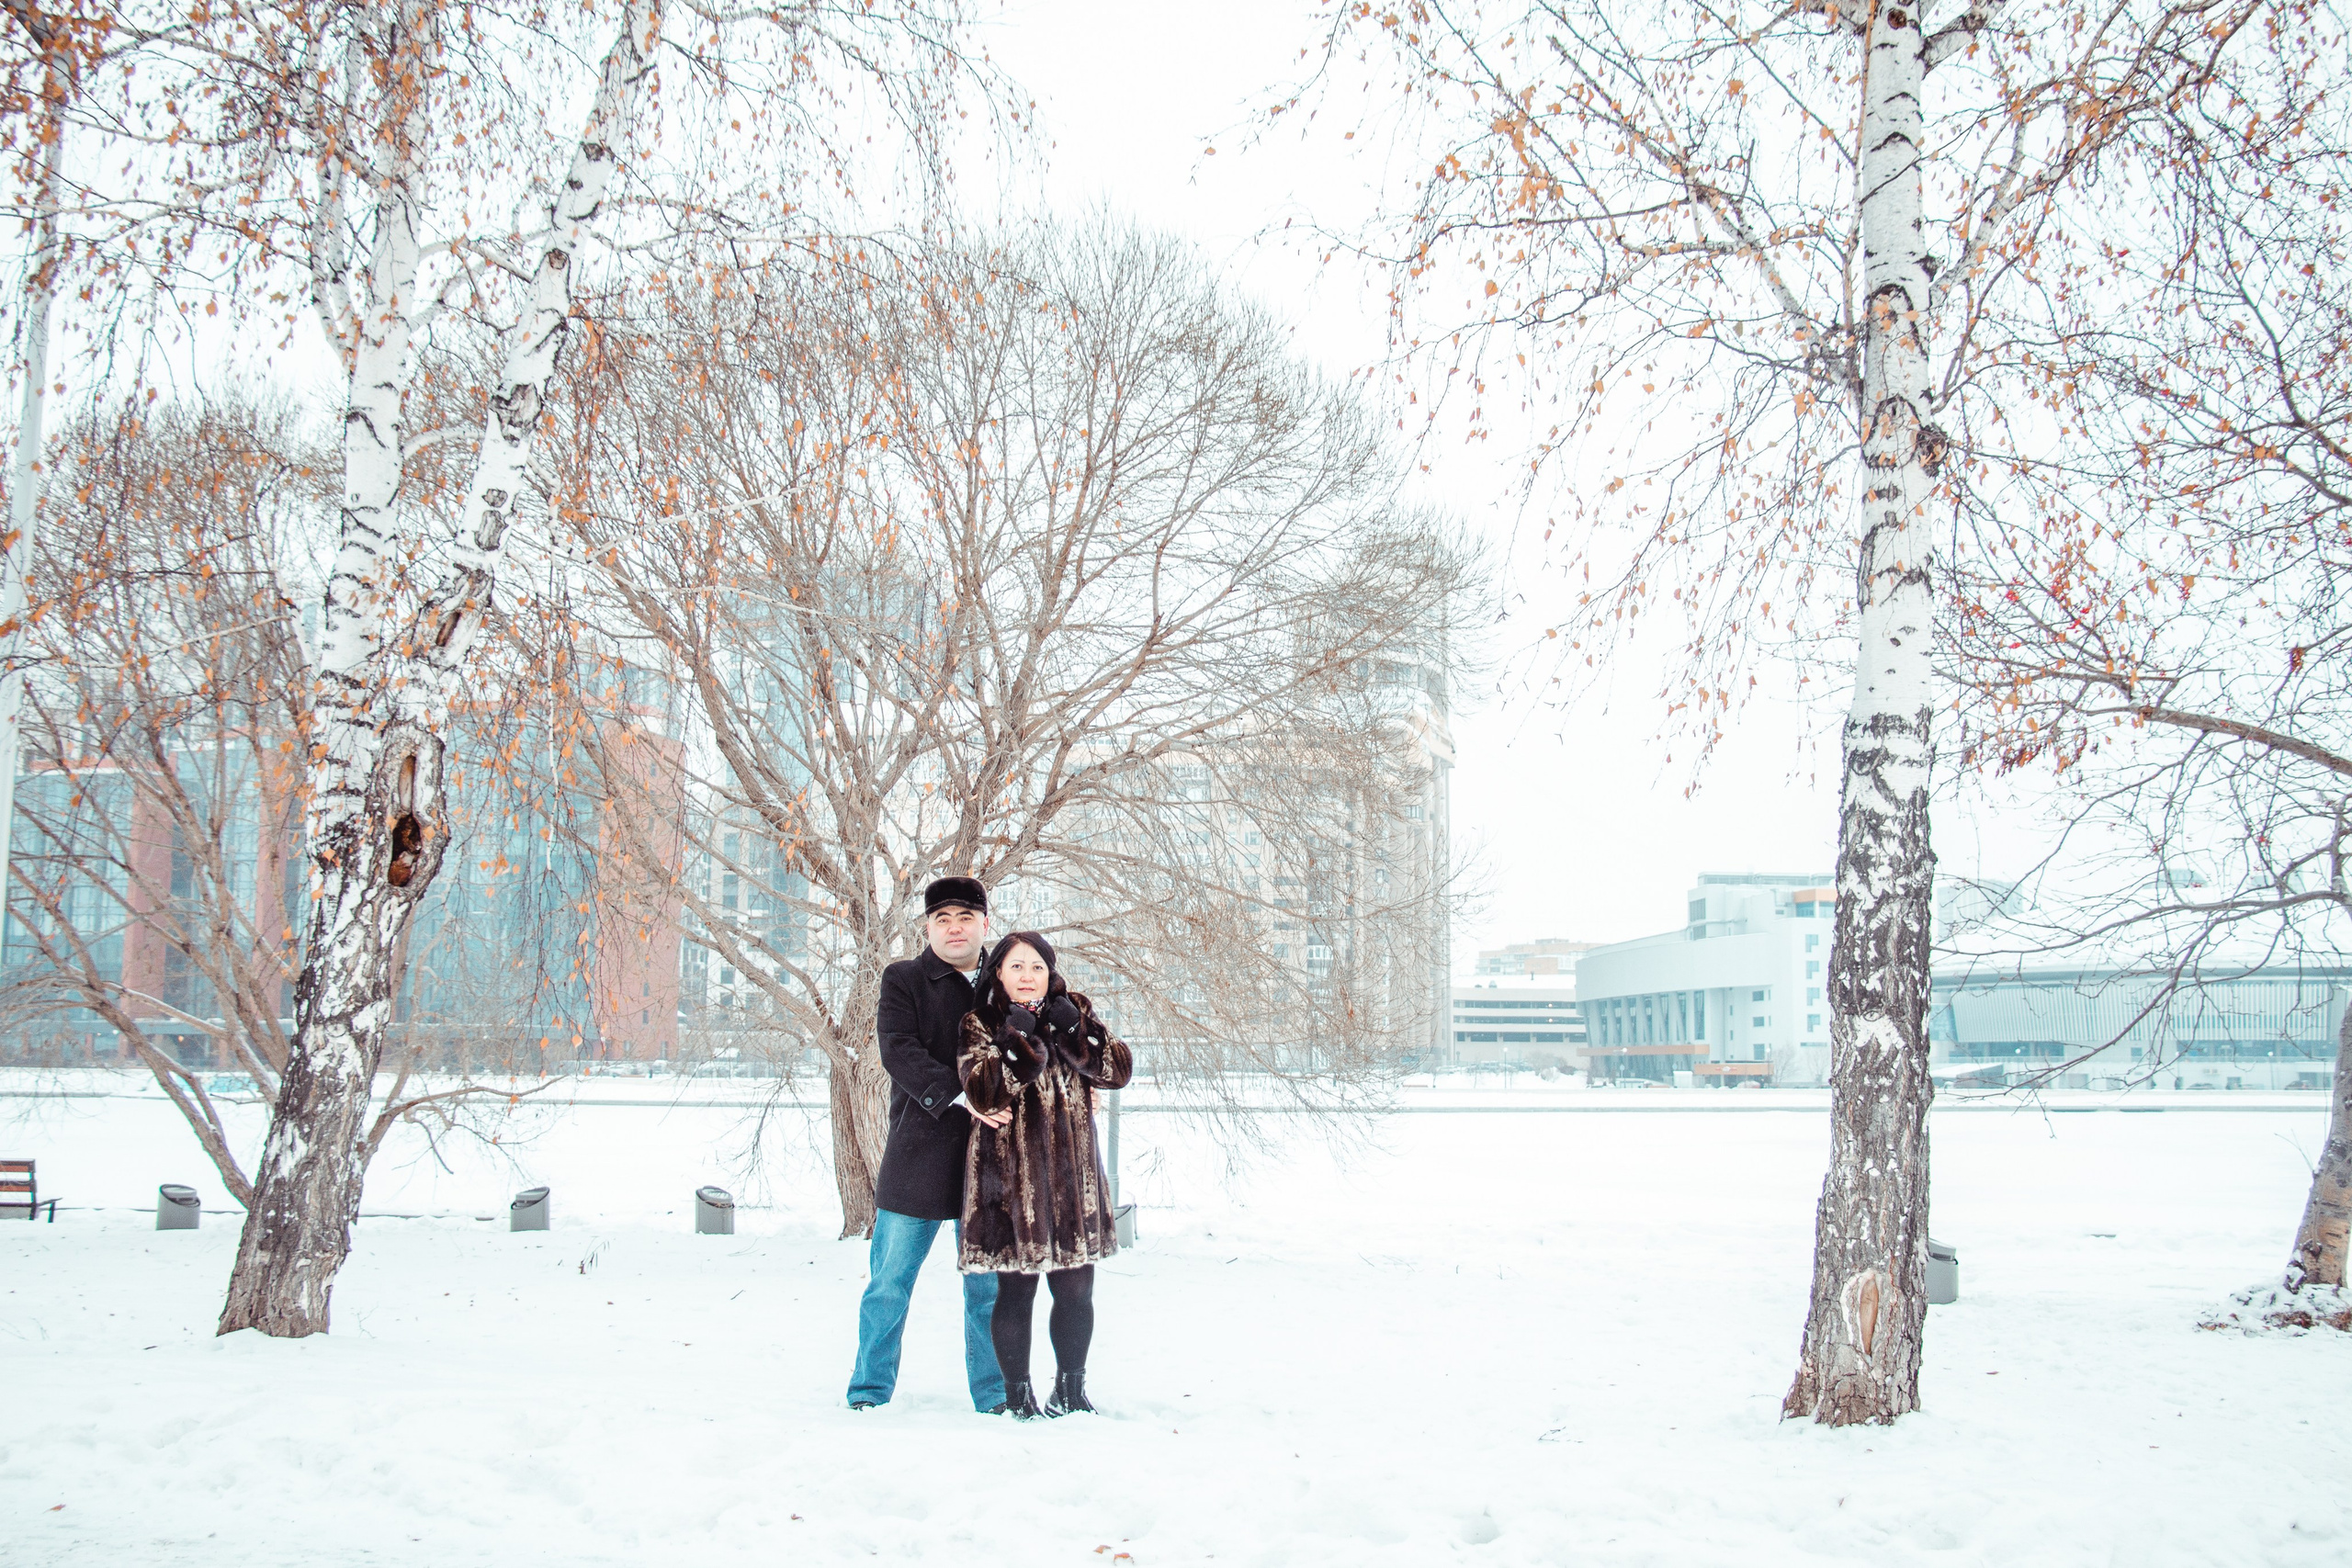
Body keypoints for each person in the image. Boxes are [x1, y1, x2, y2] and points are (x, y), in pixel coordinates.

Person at [845, 876, 1012, 1413]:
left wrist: (1075, 1092)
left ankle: (995, 1396)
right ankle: (869, 1393)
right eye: (942, 918)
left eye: (966, 917)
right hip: (918, 1155)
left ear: (985, 924)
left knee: (988, 1292)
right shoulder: (905, 979)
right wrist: (963, 1098)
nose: (955, 927)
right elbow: (898, 1049)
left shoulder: (1007, 980)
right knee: (889, 1286)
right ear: (927, 927)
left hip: (989, 1164)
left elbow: (1042, 1050)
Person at [956, 930, 1133, 1418]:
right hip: (1009, 1184)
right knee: (1016, 1291)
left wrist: (1078, 1029)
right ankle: (1018, 1398)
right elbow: (984, 1091)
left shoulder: (1072, 1010)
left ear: (1049, 972)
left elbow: (1116, 1071)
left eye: (1037, 966)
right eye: (1016, 967)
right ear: (998, 974)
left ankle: (1071, 1391)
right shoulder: (981, 1023)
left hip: (1073, 1182)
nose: (1028, 976)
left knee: (1077, 1289)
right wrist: (1016, 1038)